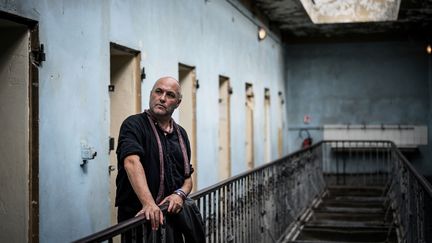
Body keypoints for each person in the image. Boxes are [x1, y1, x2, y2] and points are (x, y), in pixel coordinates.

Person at [115, 76, 205, 243]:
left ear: (178, 103)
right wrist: (149, 204)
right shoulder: (133, 125)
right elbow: (131, 162)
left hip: (172, 220)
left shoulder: (181, 134)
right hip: (139, 219)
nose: (162, 98)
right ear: (151, 94)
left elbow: (187, 179)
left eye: (170, 95)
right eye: (158, 91)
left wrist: (179, 195)